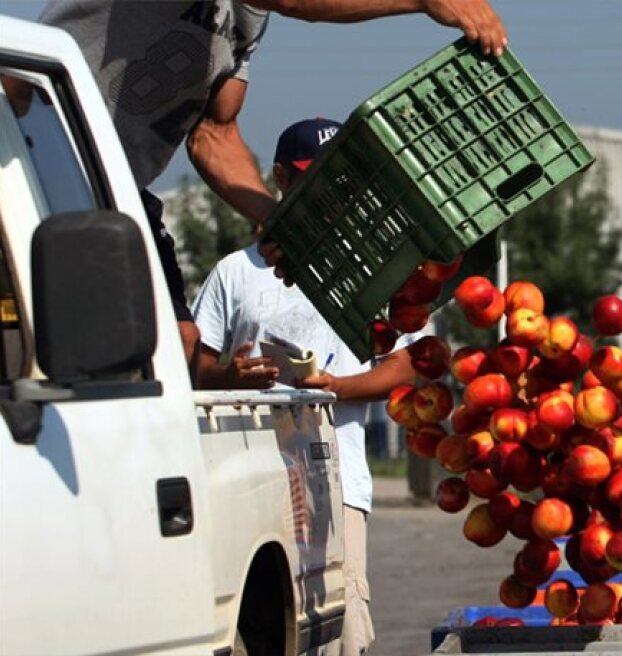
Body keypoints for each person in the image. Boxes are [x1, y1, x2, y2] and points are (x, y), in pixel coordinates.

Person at [39, 0, 506, 377]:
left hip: (116, 190)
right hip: (30, 156)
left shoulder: (247, 17)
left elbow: (213, 135)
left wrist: (281, 223)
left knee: (178, 341)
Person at [192, 117, 419, 654]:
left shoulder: (373, 268)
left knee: (342, 630)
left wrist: (334, 387)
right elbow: (194, 365)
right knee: (262, 628)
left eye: (335, 184)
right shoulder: (236, 272)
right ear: (277, 178)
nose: (322, 199)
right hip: (249, 478)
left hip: (336, 478)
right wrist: (230, 376)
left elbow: (410, 364)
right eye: (306, 181)